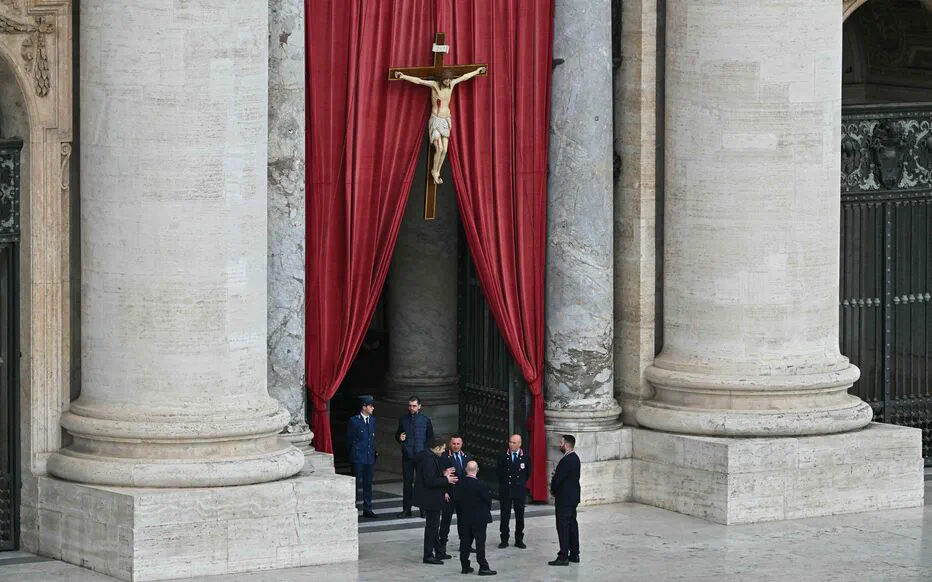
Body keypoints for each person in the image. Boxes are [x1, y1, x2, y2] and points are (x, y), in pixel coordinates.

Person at [393, 66, 486, 185]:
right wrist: (403, 76)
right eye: (445, 79)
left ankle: (437, 171)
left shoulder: (451, 84)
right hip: (436, 121)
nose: (447, 81)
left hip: (446, 120)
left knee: (445, 150)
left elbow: (464, 77)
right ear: (442, 79)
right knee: (440, 148)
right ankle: (434, 171)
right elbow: (419, 81)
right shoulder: (434, 85)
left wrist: (477, 71)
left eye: (449, 79)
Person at [414, 437, 458, 565]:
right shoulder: (428, 459)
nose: (444, 451)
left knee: (434, 526)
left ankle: (439, 551)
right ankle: (428, 555)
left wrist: (444, 473)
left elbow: (433, 475)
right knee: (432, 527)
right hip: (430, 498)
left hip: (432, 496)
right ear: (437, 448)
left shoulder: (430, 456)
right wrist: (446, 480)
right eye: (443, 448)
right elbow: (430, 480)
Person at [455, 460, 497, 576]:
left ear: (465, 470)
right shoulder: (480, 484)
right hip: (479, 518)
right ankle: (483, 566)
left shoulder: (460, 483)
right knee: (480, 543)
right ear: (477, 470)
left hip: (464, 518)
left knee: (465, 542)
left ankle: (465, 565)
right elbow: (487, 500)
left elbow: (456, 500)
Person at [395, 396, 435, 518]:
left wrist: (425, 451)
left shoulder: (425, 420)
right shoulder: (403, 419)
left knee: (421, 483)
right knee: (407, 484)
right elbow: (398, 434)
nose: (411, 408)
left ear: (419, 406)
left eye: (413, 405)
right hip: (407, 456)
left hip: (421, 456)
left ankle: (423, 509)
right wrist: (399, 438)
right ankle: (406, 509)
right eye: (409, 405)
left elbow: (430, 438)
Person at [438, 434, 474, 558]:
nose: (456, 446)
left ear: (461, 444)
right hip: (450, 493)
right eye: (454, 443)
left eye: (458, 444)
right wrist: (444, 491)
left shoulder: (467, 456)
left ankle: (465, 544)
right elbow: (439, 475)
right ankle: (441, 546)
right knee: (446, 520)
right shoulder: (443, 456)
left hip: (463, 494)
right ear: (450, 444)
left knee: (464, 520)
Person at [548, 434, 581, 566]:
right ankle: (574, 554)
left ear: (566, 445)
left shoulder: (566, 460)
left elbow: (558, 480)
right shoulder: (575, 458)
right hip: (573, 498)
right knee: (572, 525)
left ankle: (563, 556)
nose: (560, 445)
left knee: (563, 527)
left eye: (561, 443)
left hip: (564, 499)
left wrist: (553, 489)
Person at [346, 395, 378, 519]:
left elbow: (372, 439)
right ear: (364, 407)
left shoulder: (373, 420)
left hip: (369, 457)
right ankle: (352, 507)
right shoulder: (354, 421)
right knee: (356, 484)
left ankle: (368, 509)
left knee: (368, 484)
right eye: (370, 406)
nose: (372, 408)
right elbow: (349, 440)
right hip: (358, 457)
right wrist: (353, 453)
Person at [496, 434, 531, 549]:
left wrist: (520, 483)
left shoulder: (525, 456)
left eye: (514, 443)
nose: (511, 444)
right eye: (510, 442)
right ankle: (504, 539)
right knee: (505, 516)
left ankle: (519, 539)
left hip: (519, 491)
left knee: (519, 516)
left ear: (520, 444)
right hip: (506, 490)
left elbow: (527, 473)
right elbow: (499, 472)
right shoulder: (503, 455)